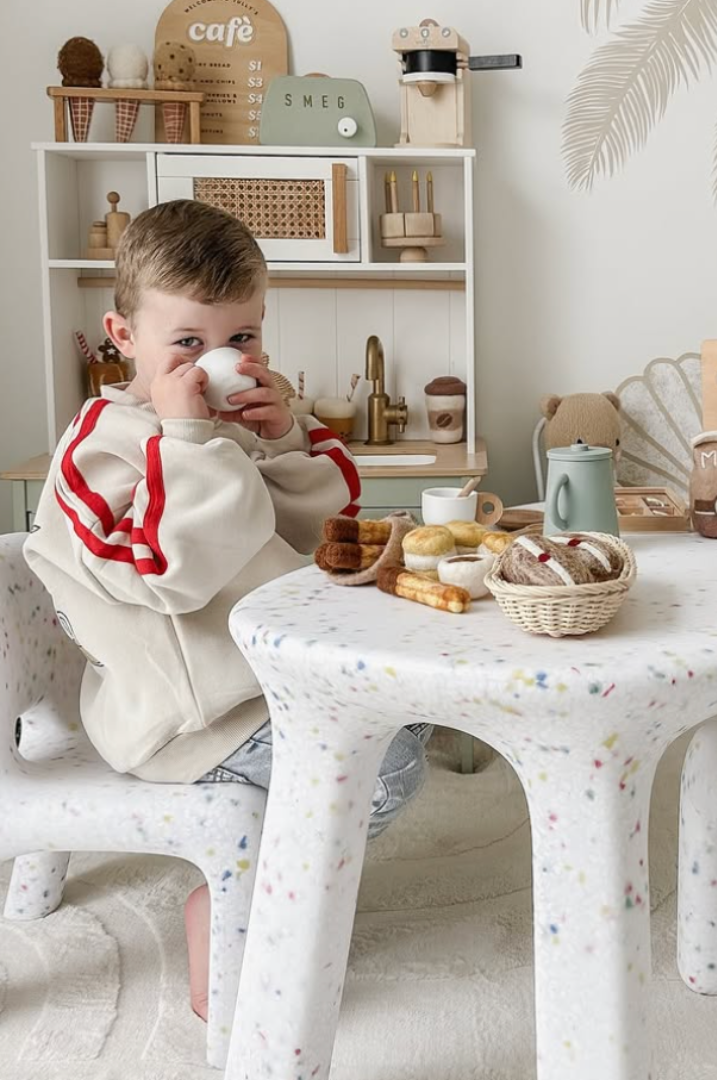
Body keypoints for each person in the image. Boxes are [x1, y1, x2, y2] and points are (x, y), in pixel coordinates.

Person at [24, 200, 430, 1019]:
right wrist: (187, 442)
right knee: (377, 764)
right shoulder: (101, 446)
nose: (219, 361)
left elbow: (316, 534)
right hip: (184, 719)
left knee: (410, 717)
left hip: (260, 684)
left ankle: (290, 885)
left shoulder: (216, 425)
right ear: (123, 334)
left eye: (241, 338)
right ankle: (233, 901)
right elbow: (168, 574)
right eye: (188, 343)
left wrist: (282, 439)